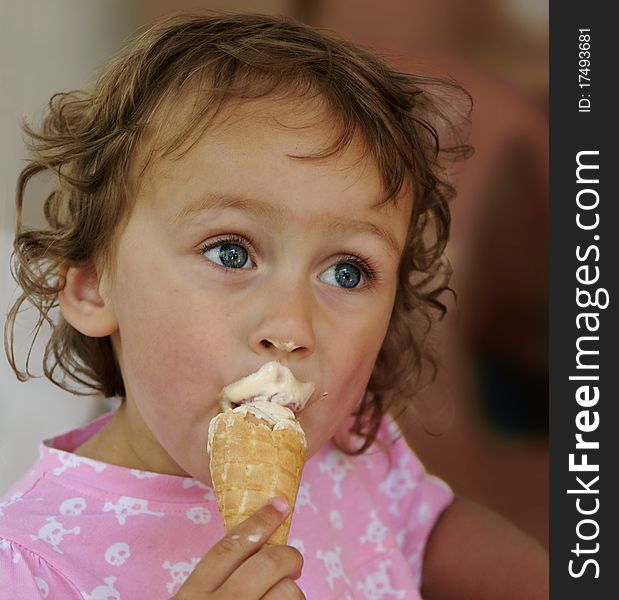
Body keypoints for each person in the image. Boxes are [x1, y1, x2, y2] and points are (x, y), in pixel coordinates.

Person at [0, 12, 547, 599]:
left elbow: (429, 532)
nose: (290, 328)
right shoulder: (32, 566)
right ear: (92, 287)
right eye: (231, 254)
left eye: (347, 271)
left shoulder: (351, 445)